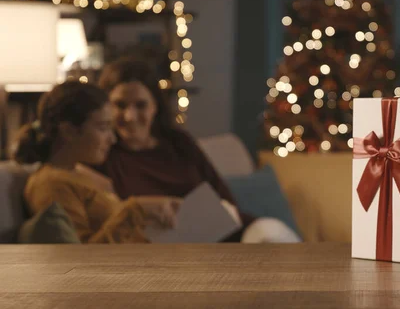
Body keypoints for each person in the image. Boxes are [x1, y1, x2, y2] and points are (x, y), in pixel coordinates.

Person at [95, 57, 300, 243]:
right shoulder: (103, 157)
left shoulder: (178, 142)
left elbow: (226, 201)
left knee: (271, 236)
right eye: (120, 105)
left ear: (154, 107)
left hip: (230, 237)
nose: (130, 116)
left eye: (140, 105)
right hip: (166, 252)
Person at [13, 81, 181, 243]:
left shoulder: (80, 174)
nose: (113, 138)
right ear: (69, 131)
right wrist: (136, 210)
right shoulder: (51, 185)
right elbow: (81, 260)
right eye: (103, 127)